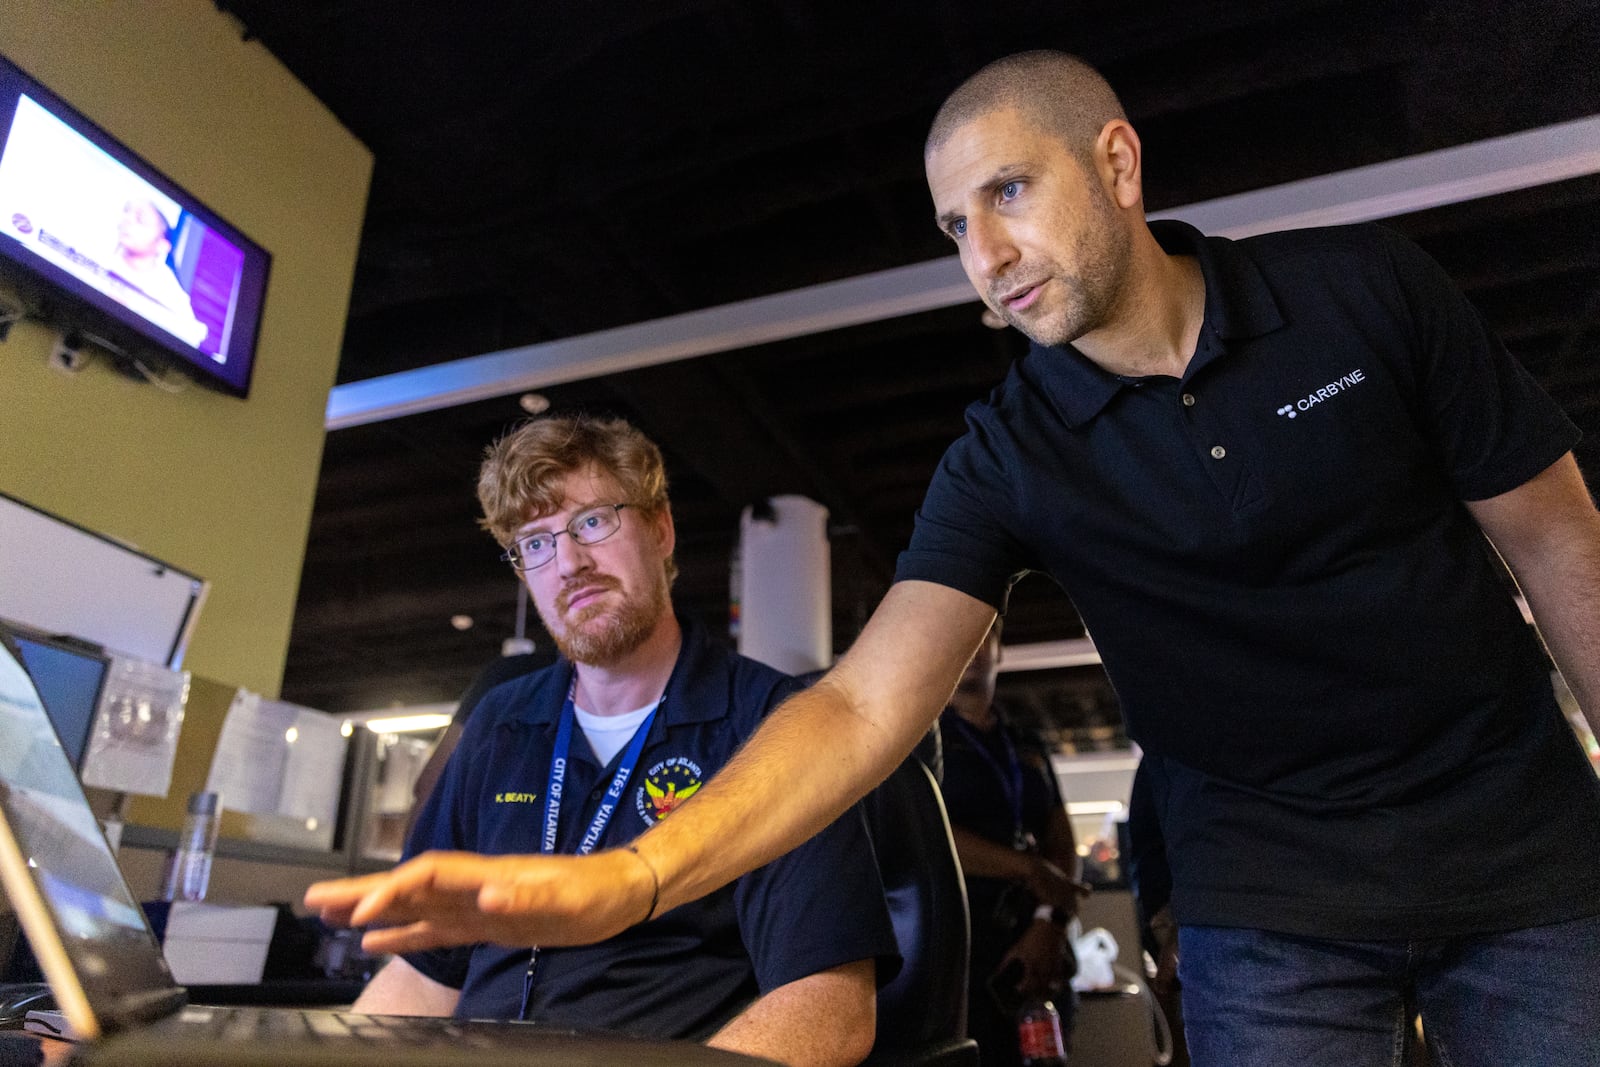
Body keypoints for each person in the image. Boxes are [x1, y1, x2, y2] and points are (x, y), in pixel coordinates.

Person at [309, 51, 1600, 1067]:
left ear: (1117, 160)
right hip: (1269, 900)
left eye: (1009, 192)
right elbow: (868, 700)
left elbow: (1556, 541)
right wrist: (631, 875)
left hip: (1527, 850)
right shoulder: (1009, 450)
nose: (983, 257)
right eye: (949, 226)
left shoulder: (1366, 293)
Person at [332, 414, 897, 1067]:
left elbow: (828, 1010)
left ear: (661, 528)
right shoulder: (499, 722)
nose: (569, 561)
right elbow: (427, 975)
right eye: (535, 543)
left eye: (594, 521)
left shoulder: (772, 723)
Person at [939, 618, 1085, 1067]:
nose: (976, 646)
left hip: (1037, 938)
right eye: (962, 633)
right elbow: (931, 835)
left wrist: (1050, 920)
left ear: (1000, 649)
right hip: (959, 946)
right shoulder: (923, 739)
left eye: (987, 634)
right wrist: (1028, 868)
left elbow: (1061, 840)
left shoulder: (1026, 743)